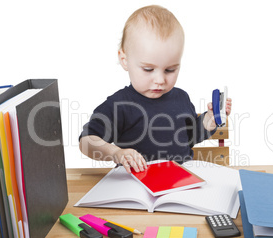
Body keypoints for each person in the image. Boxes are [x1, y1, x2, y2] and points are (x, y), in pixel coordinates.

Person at [79, 5, 231, 173]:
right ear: (124, 60)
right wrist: (116, 153)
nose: (160, 80)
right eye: (148, 70)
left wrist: (208, 121)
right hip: (135, 185)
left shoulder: (181, 98)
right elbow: (87, 141)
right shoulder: (119, 104)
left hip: (180, 182)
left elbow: (189, 137)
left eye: (170, 70)